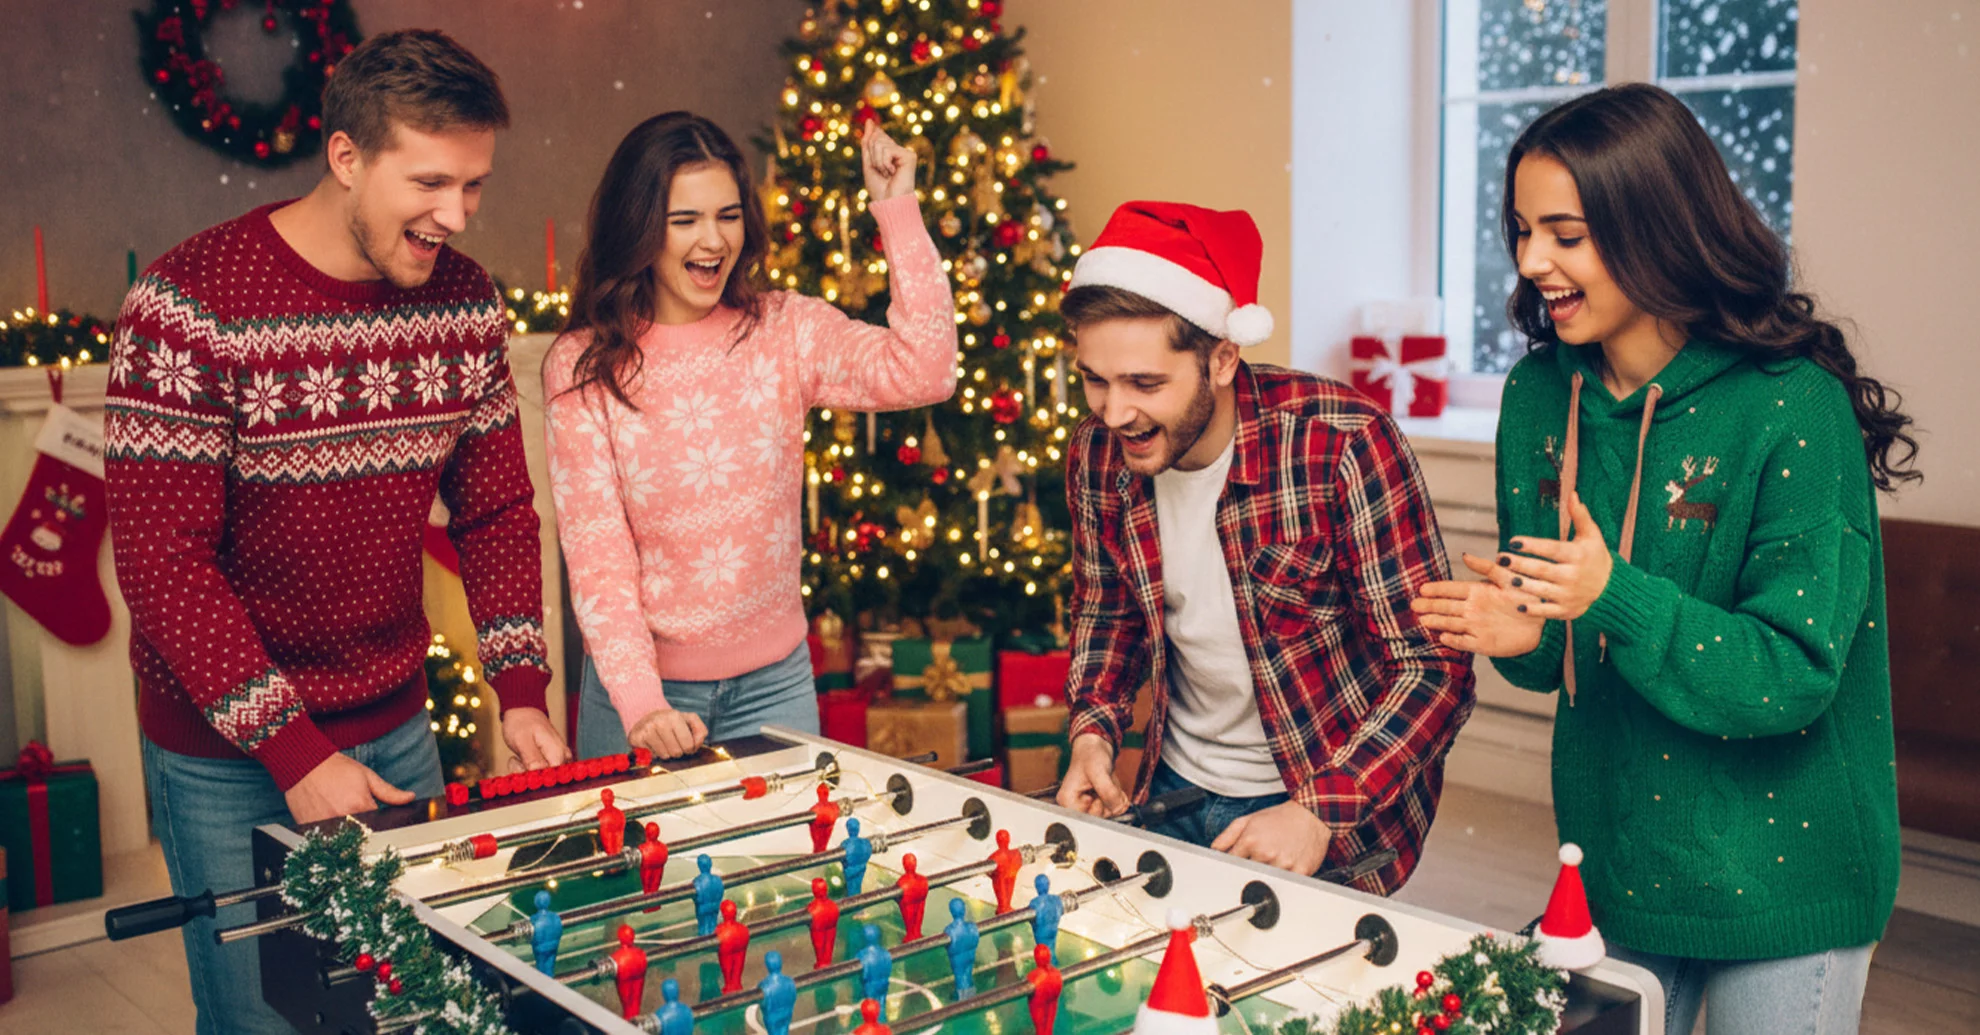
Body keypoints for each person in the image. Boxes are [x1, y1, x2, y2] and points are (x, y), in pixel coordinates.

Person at [1409, 83, 1915, 1035]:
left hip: (1783, 870)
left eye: (1566, 233)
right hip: (1614, 861)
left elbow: (1790, 674)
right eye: (1521, 229)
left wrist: (1612, 596)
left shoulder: (1791, 406)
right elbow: (1549, 651)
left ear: (1655, 226)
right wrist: (1524, 629)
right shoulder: (1537, 396)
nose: (1531, 261)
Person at [104, 29, 567, 1035]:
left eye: (475, 185)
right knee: (264, 1019)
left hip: (396, 723)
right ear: (348, 156)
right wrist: (294, 752)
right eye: (432, 181)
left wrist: (519, 689)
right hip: (228, 756)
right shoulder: (188, 308)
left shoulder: (465, 304)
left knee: (419, 1009)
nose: (456, 215)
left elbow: (493, 510)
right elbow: (160, 560)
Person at [1052, 201, 1473, 893]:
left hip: (1326, 805)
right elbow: (1109, 614)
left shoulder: (1341, 442)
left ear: (1221, 357)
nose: (1114, 411)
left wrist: (1318, 809)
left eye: (1145, 383)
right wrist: (1093, 733)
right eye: (1096, 379)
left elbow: (1433, 668)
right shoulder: (1098, 454)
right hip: (1172, 786)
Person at [544, 112, 956, 760]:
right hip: (642, 697)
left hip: (776, 690)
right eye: (685, 220)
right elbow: (598, 558)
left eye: (728, 214)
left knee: (790, 862)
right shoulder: (582, 364)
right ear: (640, 226)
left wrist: (896, 209)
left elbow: (925, 370)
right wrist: (643, 703)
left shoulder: (784, 331)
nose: (713, 240)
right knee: (636, 867)